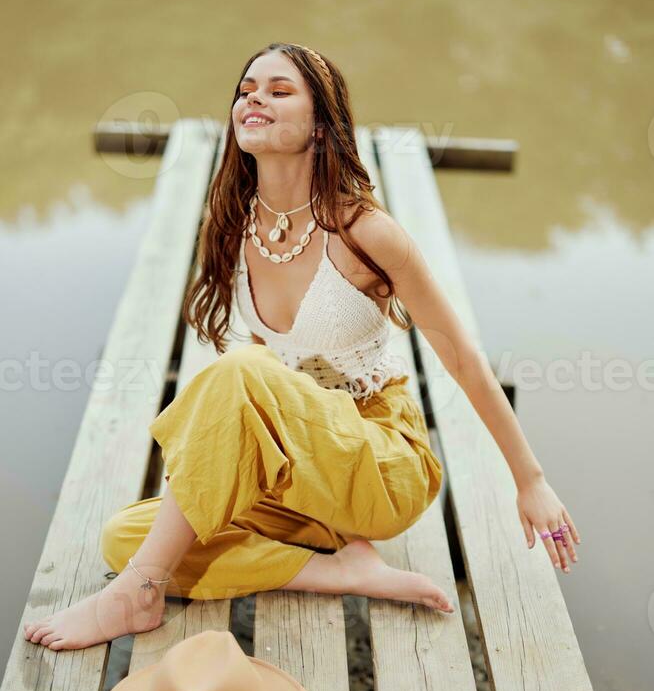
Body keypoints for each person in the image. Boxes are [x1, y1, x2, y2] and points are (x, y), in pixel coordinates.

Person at [24, 42, 580, 652]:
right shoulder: (233, 222)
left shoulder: (365, 233)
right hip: (298, 472)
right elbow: (274, 368)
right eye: (245, 89)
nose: (253, 97)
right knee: (126, 537)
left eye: (279, 90)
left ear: (321, 126)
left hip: (379, 466)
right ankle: (336, 572)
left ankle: (136, 594)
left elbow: (463, 360)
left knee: (239, 370)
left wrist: (531, 481)